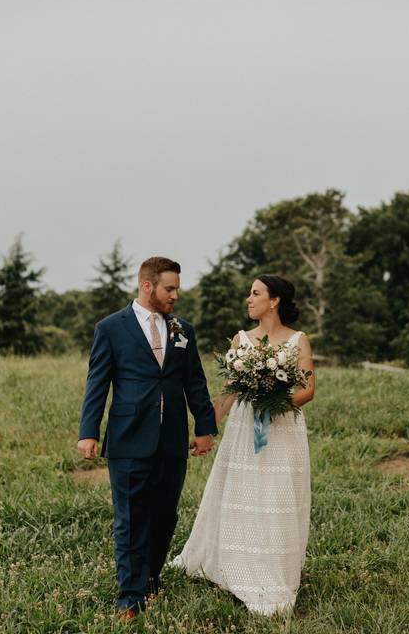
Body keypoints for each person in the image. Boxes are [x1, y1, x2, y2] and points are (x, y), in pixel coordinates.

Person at [77, 256, 217, 617]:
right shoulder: (111, 328)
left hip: (172, 440)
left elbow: (195, 382)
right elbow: (98, 382)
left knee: (164, 515)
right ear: (147, 285)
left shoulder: (183, 329)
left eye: (177, 289)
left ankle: (151, 578)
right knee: (130, 518)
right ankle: (131, 596)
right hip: (127, 438)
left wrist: (204, 427)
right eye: (170, 288)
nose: (175, 296)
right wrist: (88, 432)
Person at [171, 274, 315, 616]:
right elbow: (230, 390)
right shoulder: (241, 340)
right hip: (244, 427)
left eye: (255, 293)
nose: (248, 300)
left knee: (275, 494)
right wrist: (207, 428)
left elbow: (308, 389)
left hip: (282, 429)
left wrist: (276, 400)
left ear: (274, 300)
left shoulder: (299, 340)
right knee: (241, 492)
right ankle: (232, 565)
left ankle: (272, 569)